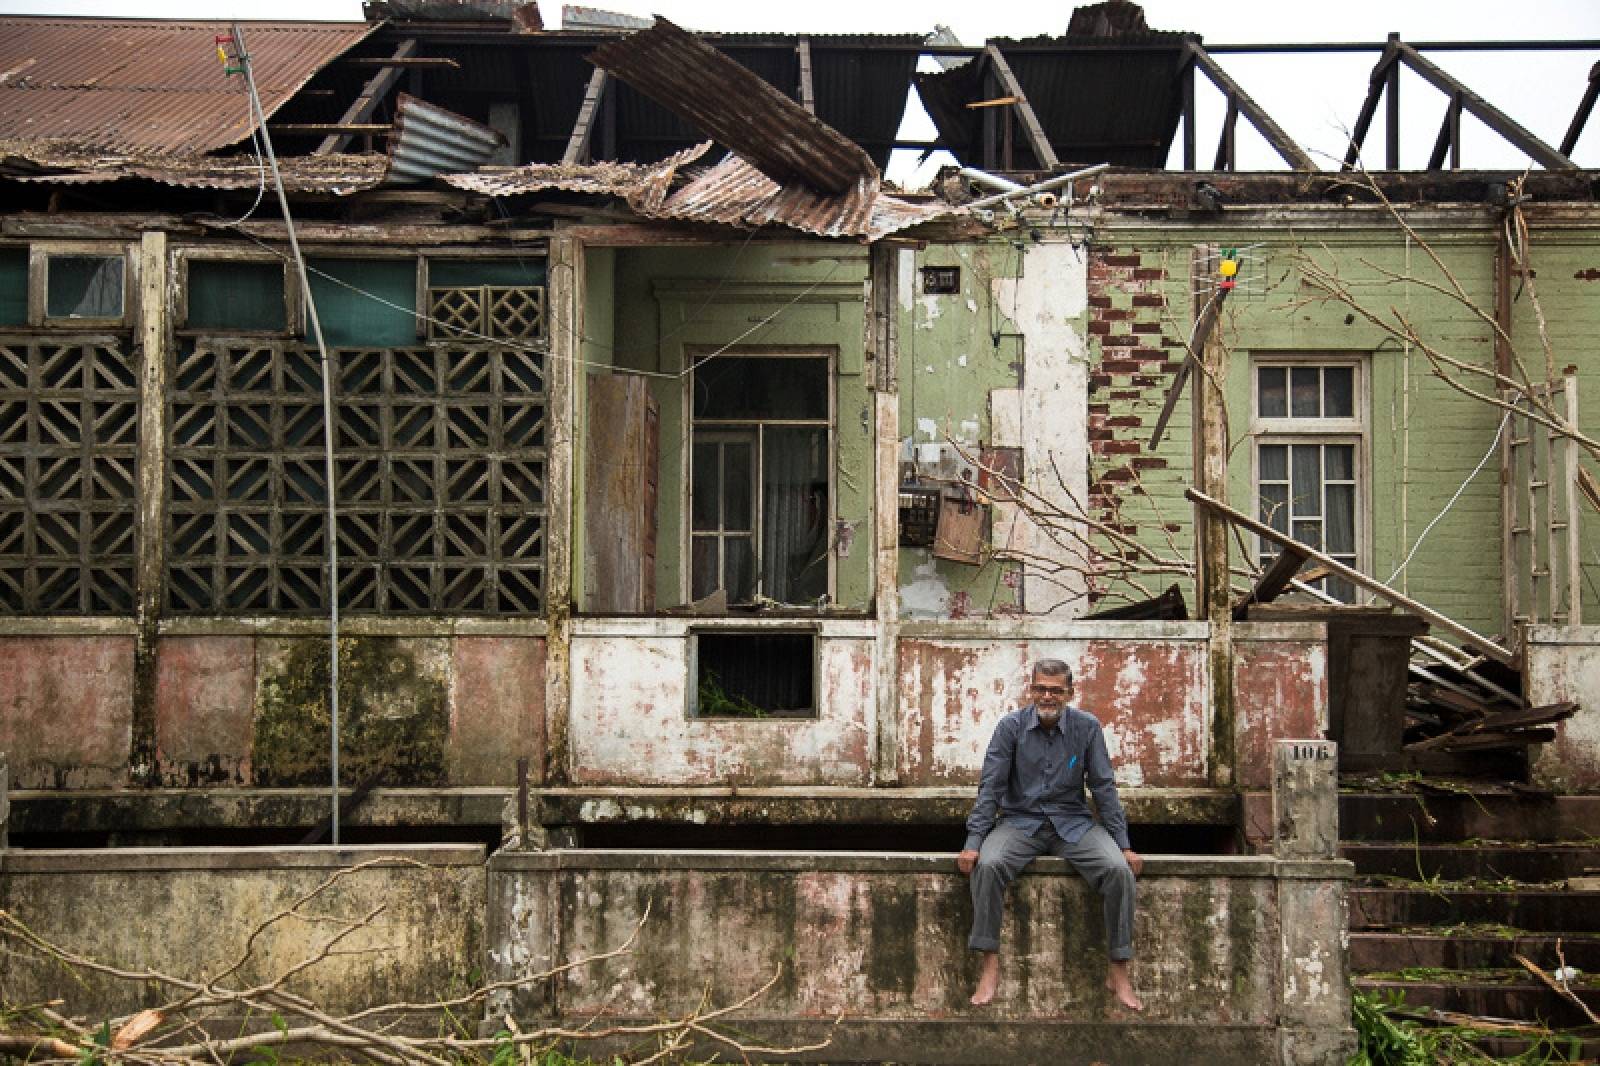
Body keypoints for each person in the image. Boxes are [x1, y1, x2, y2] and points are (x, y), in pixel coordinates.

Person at [956, 658, 1144, 1010]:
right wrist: (973, 844)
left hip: (1072, 823)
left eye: (1056, 690)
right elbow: (990, 788)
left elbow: (1104, 788)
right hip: (1019, 822)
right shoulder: (1010, 728)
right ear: (1031, 689)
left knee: (1119, 871)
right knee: (990, 865)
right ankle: (989, 966)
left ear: (1069, 693)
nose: (1048, 696)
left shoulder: (1086, 728)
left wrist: (1125, 846)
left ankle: (1118, 969)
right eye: (1041, 688)